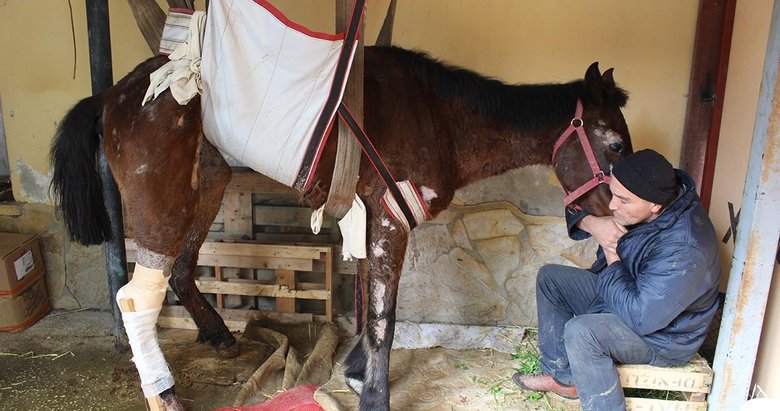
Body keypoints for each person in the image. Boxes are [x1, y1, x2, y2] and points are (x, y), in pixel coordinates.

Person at [513, 149, 721, 410]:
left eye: (622, 201)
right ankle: (564, 378)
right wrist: (594, 224)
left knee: (582, 332)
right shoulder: (647, 195)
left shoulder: (685, 249)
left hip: (662, 336)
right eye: (613, 194)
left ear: (655, 206)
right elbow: (578, 207)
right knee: (551, 278)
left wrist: (611, 253)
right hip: (629, 294)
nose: (612, 206)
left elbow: (640, 317)